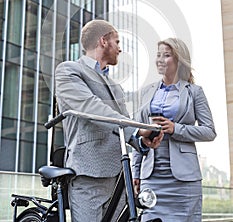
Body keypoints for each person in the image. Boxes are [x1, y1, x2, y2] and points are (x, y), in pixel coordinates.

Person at [55, 19, 163, 222]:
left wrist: (141, 141)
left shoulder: (116, 87)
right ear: (104, 41)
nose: (120, 49)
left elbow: (122, 125)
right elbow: (90, 107)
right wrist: (139, 130)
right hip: (90, 170)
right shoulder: (68, 70)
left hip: (119, 176)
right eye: (117, 42)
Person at [132, 37, 216, 222]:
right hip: (151, 177)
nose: (160, 59)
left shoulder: (194, 92)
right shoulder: (146, 92)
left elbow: (209, 131)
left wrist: (175, 128)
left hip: (184, 180)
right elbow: (137, 133)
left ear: (179, 60)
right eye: (158, 55)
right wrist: (135, 172)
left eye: (167, 55)